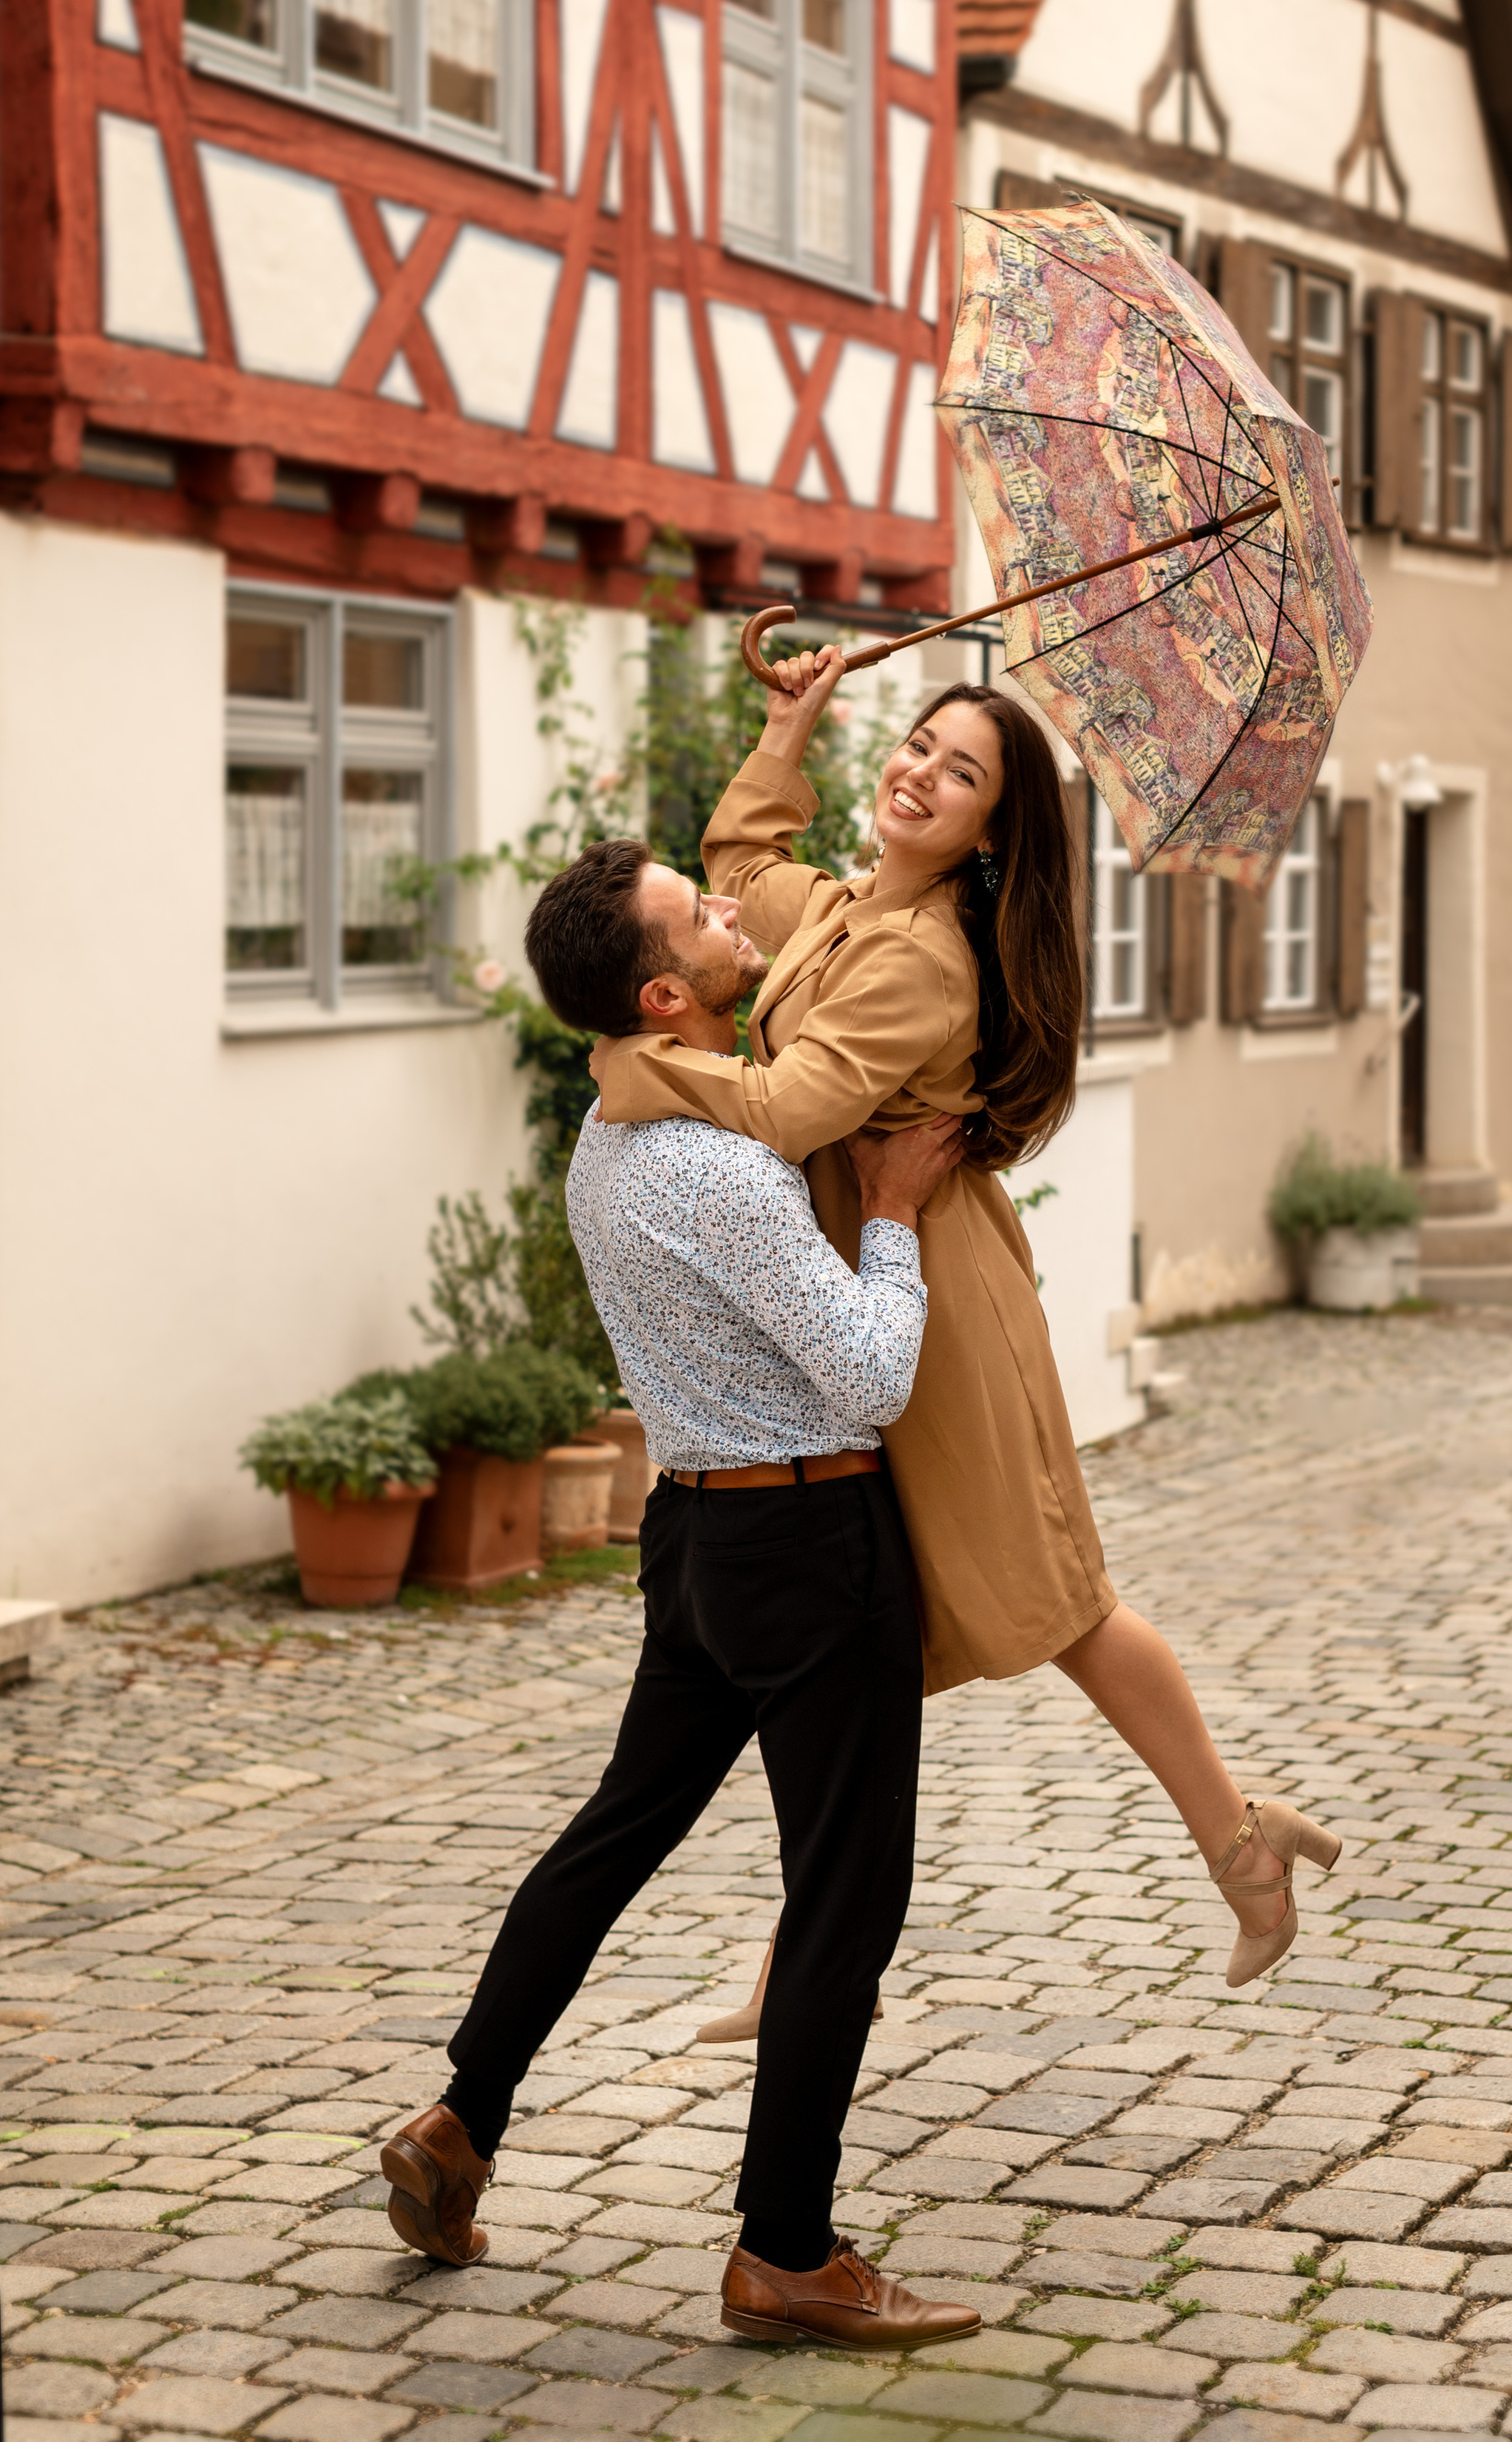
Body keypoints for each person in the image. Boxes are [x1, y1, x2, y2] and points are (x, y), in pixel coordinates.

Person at [589, 653, 1341, 2052]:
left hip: (934, 1303)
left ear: (993, 830)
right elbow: (747, 850)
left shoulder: (920, 959)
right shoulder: (848, 911)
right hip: (862, 1275)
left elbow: (794, 1108)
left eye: (961, 773)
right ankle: (797, 1958)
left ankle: (1242, 1849)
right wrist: (792, 719)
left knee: (1051, 1596)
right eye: (919, 746)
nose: (921, 774)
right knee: (860, 1637)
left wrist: (634, 1070)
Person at [380, 836, 980, 2353]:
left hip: (695, 1546)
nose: (730, 915)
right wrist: (897, 1209)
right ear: (668, 994)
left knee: (610, 1838)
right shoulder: (718, 1167)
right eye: (703, 914)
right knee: (846, 1894)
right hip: (809, 1546)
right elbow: (868, 1370)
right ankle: (785, 2248)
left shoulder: (606, 1135)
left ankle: (460, 2119)